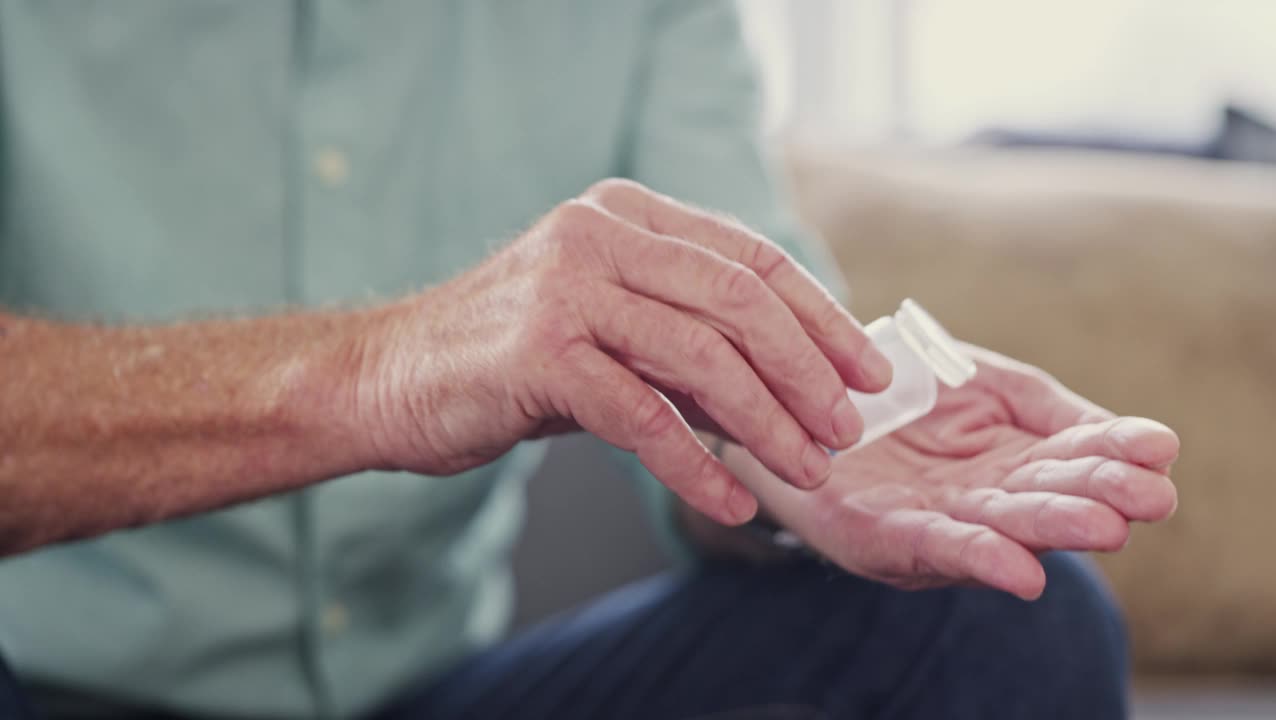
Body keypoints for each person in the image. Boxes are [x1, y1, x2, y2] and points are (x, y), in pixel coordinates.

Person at [0, 2, 1178, 719]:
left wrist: (800, 453)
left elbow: (730, 338)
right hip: (47, 689)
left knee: (1003, 614)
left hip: (433, 694)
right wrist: (390, 367)